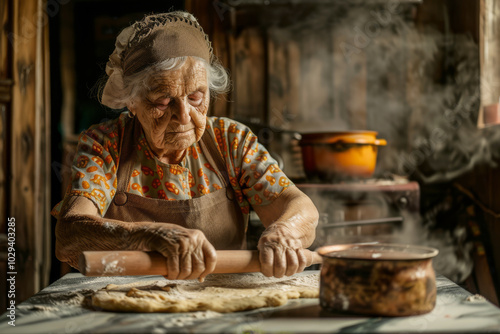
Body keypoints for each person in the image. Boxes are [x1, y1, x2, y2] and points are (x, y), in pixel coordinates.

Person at [53, 11, 319, 281]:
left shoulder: (231, 141)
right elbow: (70, 232)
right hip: (123, 300)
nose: (184, 115)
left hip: (220, 300)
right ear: (131, 101)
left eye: (195, 97)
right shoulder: (105, 144)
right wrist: (150, 235)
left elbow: (299, 205)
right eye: (163, 101)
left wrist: (285, 232)